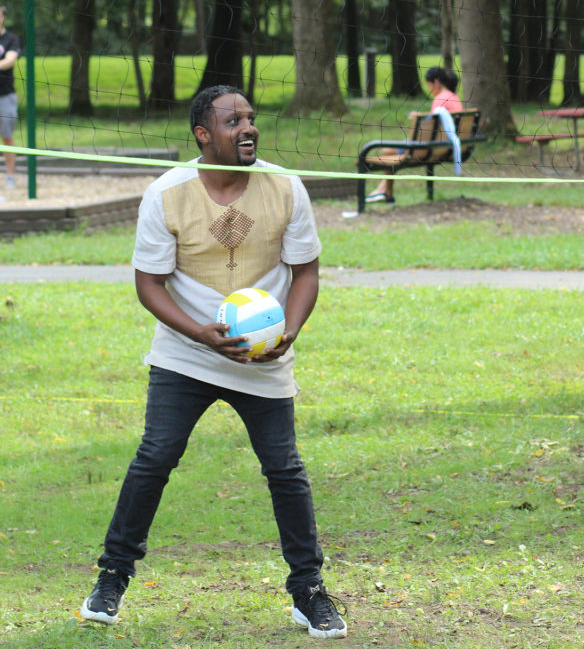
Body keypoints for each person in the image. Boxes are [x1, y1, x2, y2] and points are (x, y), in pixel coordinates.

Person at [80, 85, 347, 639]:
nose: (247, 128)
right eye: (232, 122)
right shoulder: (166, 193)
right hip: (186, 352)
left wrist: (288, 332)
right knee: (155, 457)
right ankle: (112, 576)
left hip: (263, 356)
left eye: (250, 119)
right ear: (204, 135)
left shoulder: (285, 187)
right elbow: (148, 284)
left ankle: (309, 592)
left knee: (285, 469)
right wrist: (200, 334)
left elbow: (307, 273)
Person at [366, 65, 462, 204]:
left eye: (429, 86)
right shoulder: (454, 97)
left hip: (429, 148)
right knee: (391, 152)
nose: (429, 89)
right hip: (444, 146)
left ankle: (386, 192)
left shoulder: (440, 99)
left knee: (386, 151)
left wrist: (418, 117)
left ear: (435, 82)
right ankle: (383, 191)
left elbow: (430, 129)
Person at [0, 6, 21, 191]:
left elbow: (9, 61)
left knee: (7, 137)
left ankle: (10, 176)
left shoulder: (11, 39)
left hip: (5, 95)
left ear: (3, 17)